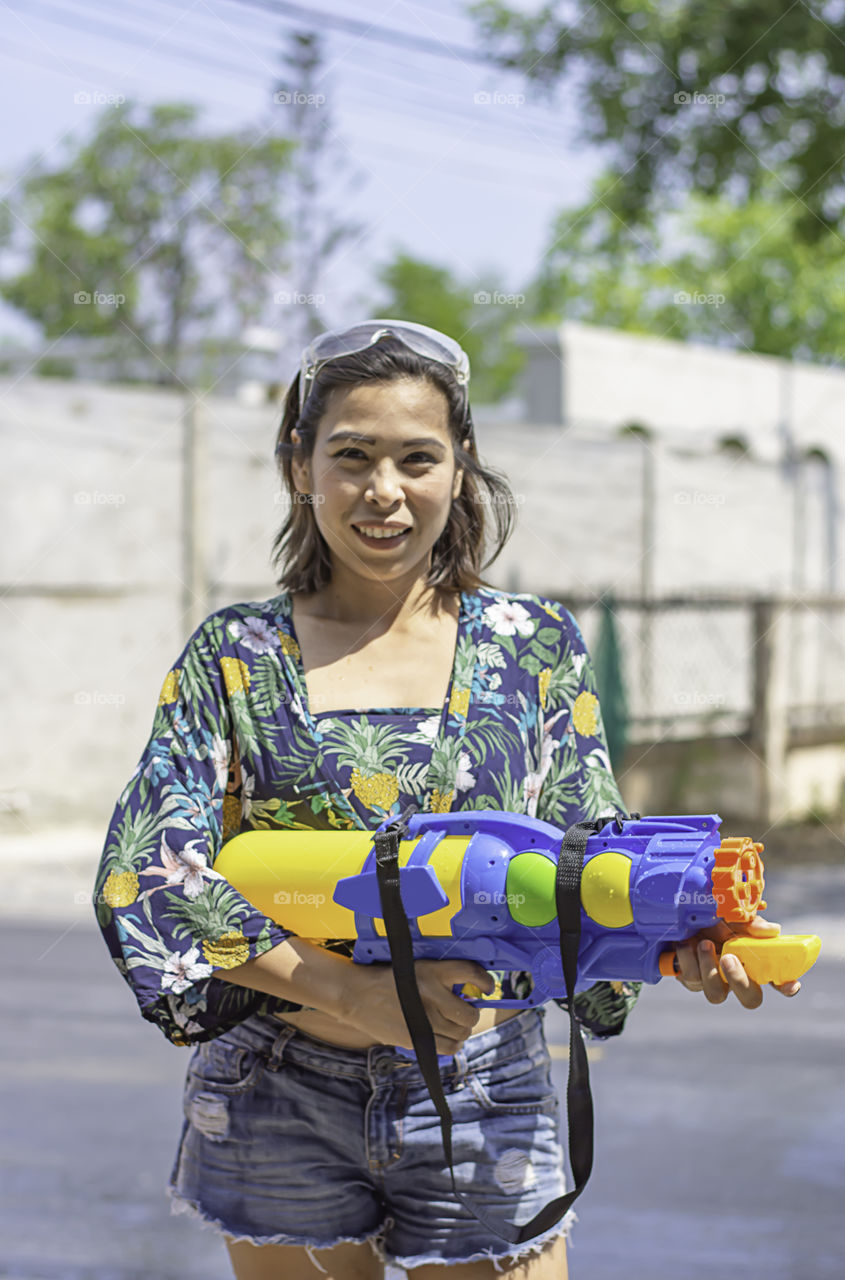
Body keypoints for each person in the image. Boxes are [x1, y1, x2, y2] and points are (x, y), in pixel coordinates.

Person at [93, 319, 800, 1280]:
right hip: (276, 1088)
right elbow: (146, 874)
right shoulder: (235, 656)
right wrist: (353, 993)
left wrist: (689, 933)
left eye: (416, 458)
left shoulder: (532, 647)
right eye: (351, 456)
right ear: (298, 465)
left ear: (460, 468)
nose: (384, 491)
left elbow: (588, 865)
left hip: (486, 1087)